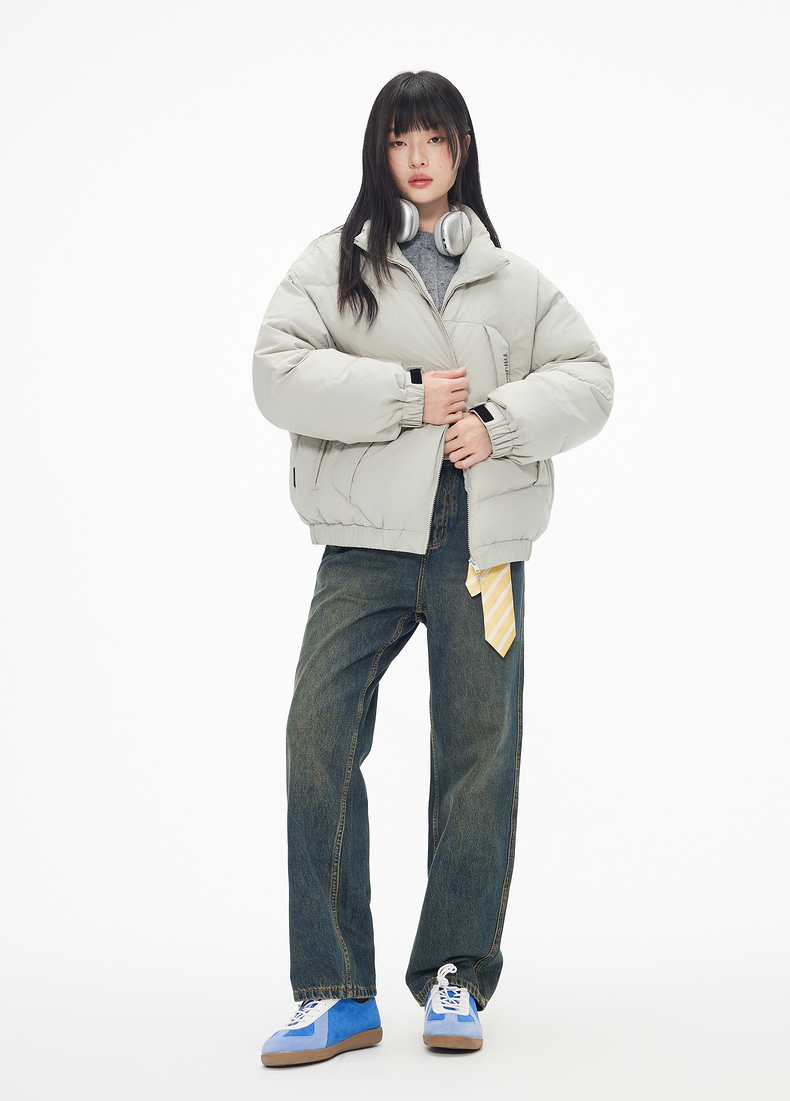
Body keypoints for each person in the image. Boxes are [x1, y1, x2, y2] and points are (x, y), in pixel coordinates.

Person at [252, 70, 613, 1066]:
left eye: (435, 139)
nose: (418, 159)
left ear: (462, 150)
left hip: (478, 545)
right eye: (399, 140)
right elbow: (276, 374)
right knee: (316, 738)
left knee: (477, 755)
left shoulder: (514, 280)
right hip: (365, 540)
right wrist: (409, 397)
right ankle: (334, 991)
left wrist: (498, 422)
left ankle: (456, 973)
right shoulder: (333, 266)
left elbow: (590, 379)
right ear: (379, 152)